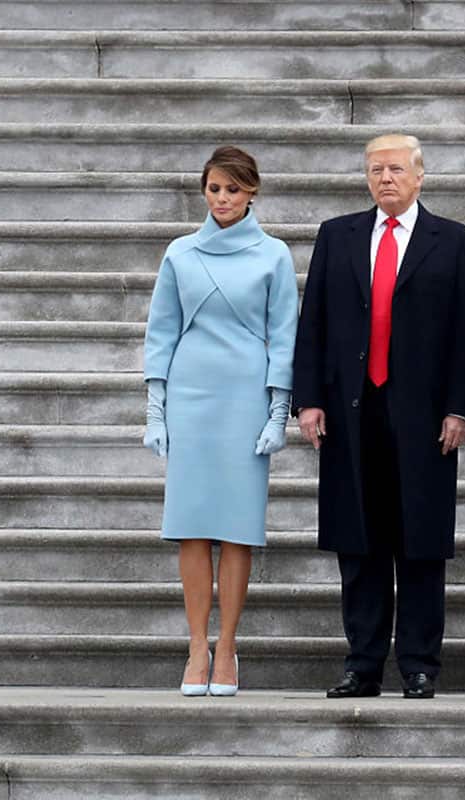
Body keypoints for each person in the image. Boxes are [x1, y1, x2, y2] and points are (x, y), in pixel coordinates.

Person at [292, 134, 465, 700]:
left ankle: (420, 663)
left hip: (423, 416)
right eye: (376, 170)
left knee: (419, 542)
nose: (385, 179)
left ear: (420, 176)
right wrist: (309, 399)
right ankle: (363, 663)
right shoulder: (338, 235)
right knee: (360, 542)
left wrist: (459, 408)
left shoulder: (454, 241)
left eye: (396, 169)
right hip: (352, 412)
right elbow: (315, 323)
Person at [142, 146, 299, 697]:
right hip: (191, 395)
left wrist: (278, 411)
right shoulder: (180, 254)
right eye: (215, 189)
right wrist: (156, 408)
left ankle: (227, 647)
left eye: (233, 189)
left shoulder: (274, 255)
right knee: (190, 526)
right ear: (203, 191)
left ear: (252, 192)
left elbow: (285, 334)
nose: (223, 199)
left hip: (245, 397)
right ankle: (195, 648)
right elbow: (161, 330)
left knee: (236, 530)